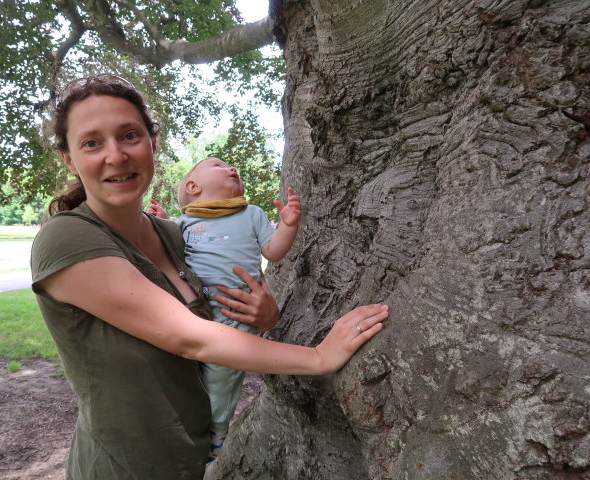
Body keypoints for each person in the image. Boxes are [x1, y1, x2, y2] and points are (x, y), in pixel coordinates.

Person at [30, 74, 389, 480]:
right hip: (123, 467)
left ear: (151, 144)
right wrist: (320, 358)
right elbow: (187, 336)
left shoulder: (175, 234)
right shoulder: (66, 238)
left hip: (190, 457)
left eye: (129, 135)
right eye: (92, 142)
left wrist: (265, 315)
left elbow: (226, 304)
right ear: (69, 159)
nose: (116, 155)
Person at [147, 158, 301, 460]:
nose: (233, 169)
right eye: (220, 165)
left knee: (222, 375)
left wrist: (288, 225)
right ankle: (185, 427)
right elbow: (169, 246)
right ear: (193, 186)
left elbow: (274, 251)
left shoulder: (251, 213)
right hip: (194, 309)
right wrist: (163, 218)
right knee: (187, 370)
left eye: (235, 168)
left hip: (237, 312)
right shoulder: (184, 221)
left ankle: (216, 432)